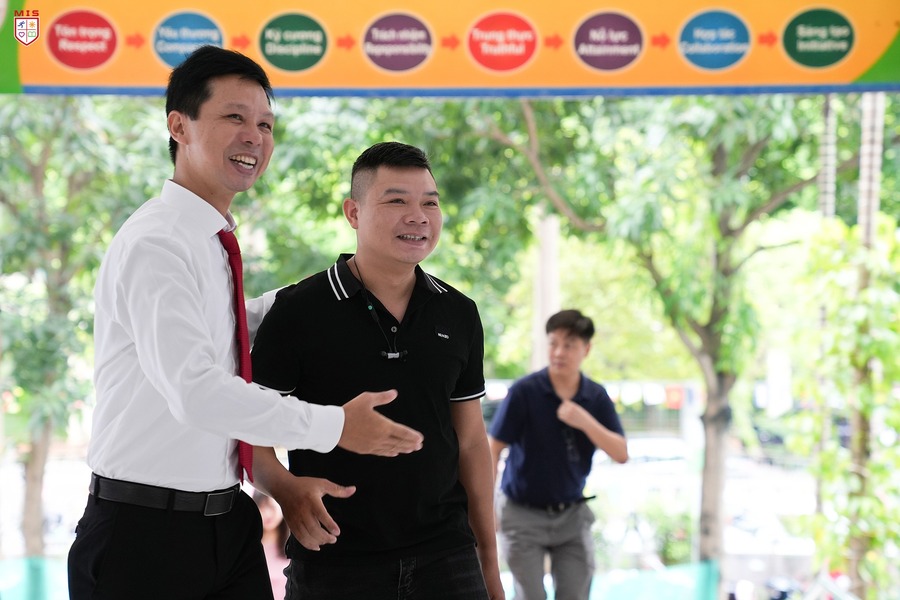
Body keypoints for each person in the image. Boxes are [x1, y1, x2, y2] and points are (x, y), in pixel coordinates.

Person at [67, 46, 423, 600]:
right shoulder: (156, 243)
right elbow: (198, 391)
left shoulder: (210, 240)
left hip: (226, 523)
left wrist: (352, 277)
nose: (254, 137)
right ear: (179, 126)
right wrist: (334, 426)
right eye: (235, 117)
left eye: (265, 124)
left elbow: (235, 327)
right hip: (143, 536)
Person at [249, 141, 505, 600]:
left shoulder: (459, 312)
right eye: (397, 201)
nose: (418, 217)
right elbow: (250, 430)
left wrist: (488, 561)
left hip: (448, 560)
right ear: (354, 212)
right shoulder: (297, 311)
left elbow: (470, 442)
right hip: (334, 562)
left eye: (430, 203)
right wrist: (285, 490)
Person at [488, 309, 628, 600]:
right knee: (530, 596)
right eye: (553, 343)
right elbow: (494, 448)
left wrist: (583, 420)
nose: (559, 352)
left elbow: (621, 453)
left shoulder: (595, 396)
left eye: (569, 345)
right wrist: (487, 507)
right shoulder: (524, 391)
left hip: (572, 517)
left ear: (586, 349)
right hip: (521, 514)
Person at [253, 489, 291, 599]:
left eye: (271, 507)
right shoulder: (251, 545)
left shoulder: (292, 544)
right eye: (261, 507)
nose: (267, 513)